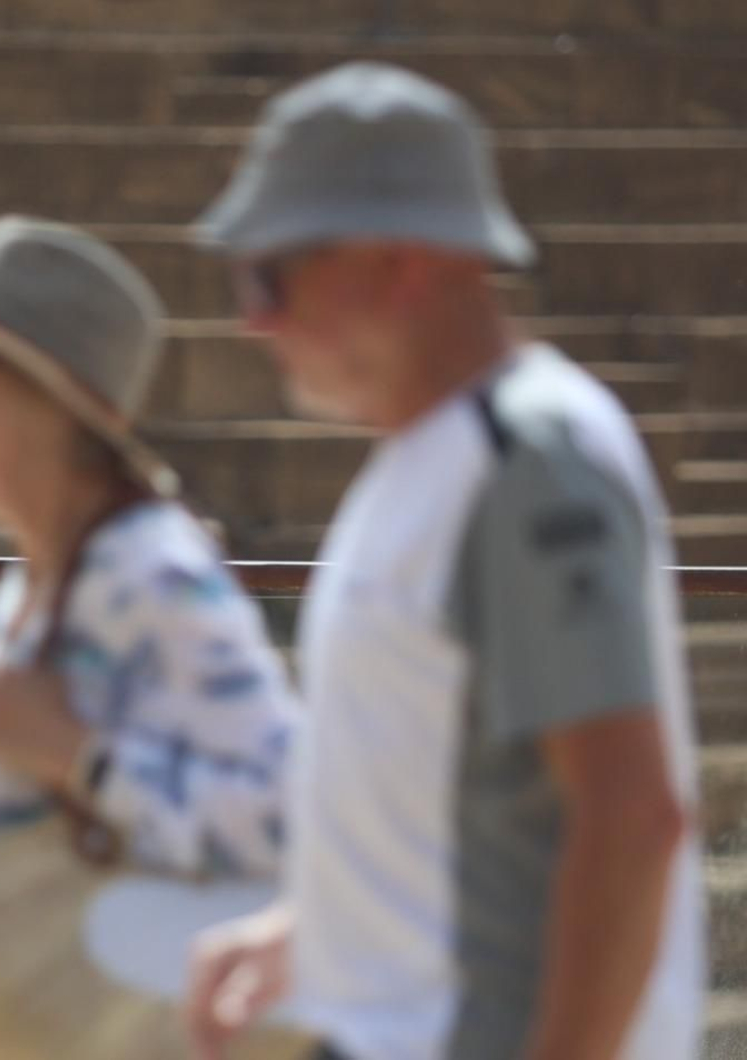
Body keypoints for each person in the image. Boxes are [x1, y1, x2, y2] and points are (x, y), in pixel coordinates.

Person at [184, 63, 705, 1060]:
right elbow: (453, 803)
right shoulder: (431, 463)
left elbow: (628, 814)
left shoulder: (526, 463)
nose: (254, 318)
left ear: (400, 263)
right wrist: (309, 936)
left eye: (272, 275)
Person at [0, 215, 298, 1059]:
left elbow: (291, 821)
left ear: (47, 395)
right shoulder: (50, 569)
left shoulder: (149, 575)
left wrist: (84, 760)